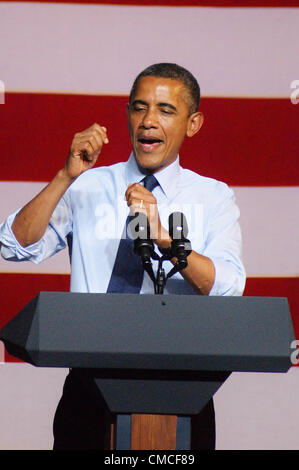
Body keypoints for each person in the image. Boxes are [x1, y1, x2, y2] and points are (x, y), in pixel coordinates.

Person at [0, 63, 246, 450]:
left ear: (193, 123)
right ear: (128, 113)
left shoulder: (213, 196)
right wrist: (66, 176)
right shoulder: (88, 184)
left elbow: (228, 288)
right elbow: (13, 245)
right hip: (90, 386)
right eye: (139, 107)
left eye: (166, 110)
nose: (149, 121)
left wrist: (165, 240)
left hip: (182, 389)